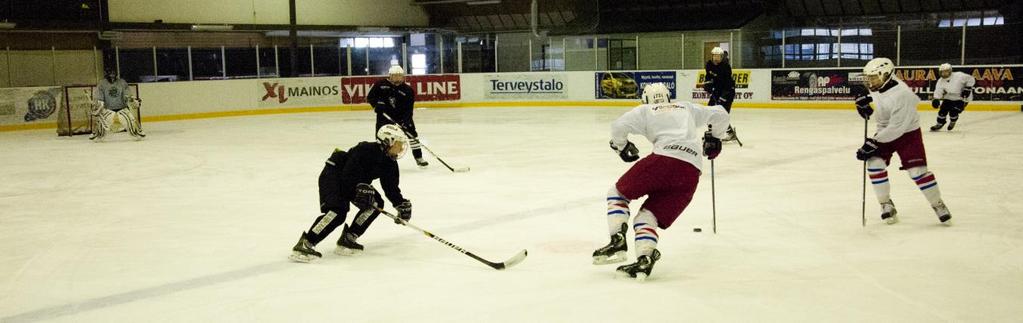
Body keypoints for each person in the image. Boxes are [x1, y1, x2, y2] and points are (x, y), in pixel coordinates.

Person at [592, 83, 730, 281]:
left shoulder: (645, 110)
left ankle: (617, 241)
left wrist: (621, 146)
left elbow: (618, 126)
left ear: (645, 99)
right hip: (691, 172)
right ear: (668, 96)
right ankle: (645, 258)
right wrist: (715, 138)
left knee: (617, 194)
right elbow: (721, 114)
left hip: (663, 160)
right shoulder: (686, 107)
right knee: (648, 217)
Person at [289, 124, 414, 263]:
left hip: (352, 182)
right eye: (398, 143)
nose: (402, 147)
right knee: (338, 211)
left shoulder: (390, 163)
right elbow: (348, 174)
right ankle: (306, 243)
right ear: (387, 141)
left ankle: (348, 237)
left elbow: (391, 187)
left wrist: (400, 204)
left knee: (376, 204)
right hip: (334, 175)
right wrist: (359, 188)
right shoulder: (365, 149)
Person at [854, 57, 952, 225]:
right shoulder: (880, 84)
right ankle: (886, 204)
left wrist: (873, 142)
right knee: (874, 164)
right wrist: (863, 102)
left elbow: (897, 128)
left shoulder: (903, 95)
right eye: (869, 78)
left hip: (907, 133)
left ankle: (938, 204)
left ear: (887, 75)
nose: (870, 82)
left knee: (917, 172)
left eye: (874, 77)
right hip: (886, 130)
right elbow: (878, 98)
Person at [367, 65, 428, 167]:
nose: (398, 78)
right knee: (381, 137)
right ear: (390, 76)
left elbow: (409, 109)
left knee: (412, 135)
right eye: (395, 76)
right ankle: (380, 158)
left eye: (400, 76)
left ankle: (418, 157)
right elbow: (370, 97)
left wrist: (406, 121)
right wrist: (376, 105)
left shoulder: (407, 90)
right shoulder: (380, 84)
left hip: (401, 118)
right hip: (384, 117)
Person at [91, 68, 144, 141]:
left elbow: (127, 94)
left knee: (131, 122)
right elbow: (100, 98)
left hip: (122, 108)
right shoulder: (102, 84)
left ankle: (137, 132)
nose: (112, 75)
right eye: (110, 73)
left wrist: (132, 100)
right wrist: (98, 106)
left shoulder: (122, 82)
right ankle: (97, 133)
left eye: (114, 73)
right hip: (107, 109)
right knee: (100, 130)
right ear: (107, 74)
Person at [703, 47, 740, 144]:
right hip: (717, 90)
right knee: (709, 111)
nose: (716, 58)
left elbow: (728, 84)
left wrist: (723, 97)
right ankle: (711, 133)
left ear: (721, 57)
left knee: (722, 114)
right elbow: (708, 76)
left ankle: (730, 133)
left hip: (728, 92)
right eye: (714, 56)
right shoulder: (709, 65)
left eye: (718, 56)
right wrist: (707, 84)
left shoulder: (725, 67)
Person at [930, 63, 975, 131]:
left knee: (953, 112)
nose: (944, 74)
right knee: (942, 110)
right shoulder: (940, 81)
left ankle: (953, 121)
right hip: (949, 96)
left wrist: (967, 88)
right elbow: (938, 90)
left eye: (946, 71)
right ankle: (939, 123)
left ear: (950, 71)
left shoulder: (959, 75)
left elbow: (971, 79)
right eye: (942, 72)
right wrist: (936, 99)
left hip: (962, 97)